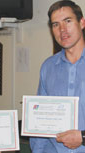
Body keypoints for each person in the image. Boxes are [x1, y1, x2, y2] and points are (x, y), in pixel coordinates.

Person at [30, 0, 85, 153]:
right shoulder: (48, 67)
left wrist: (83, 137)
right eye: (55, 24)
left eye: (68, 21)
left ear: (81, 23)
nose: (62, 29)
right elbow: (39, 122)